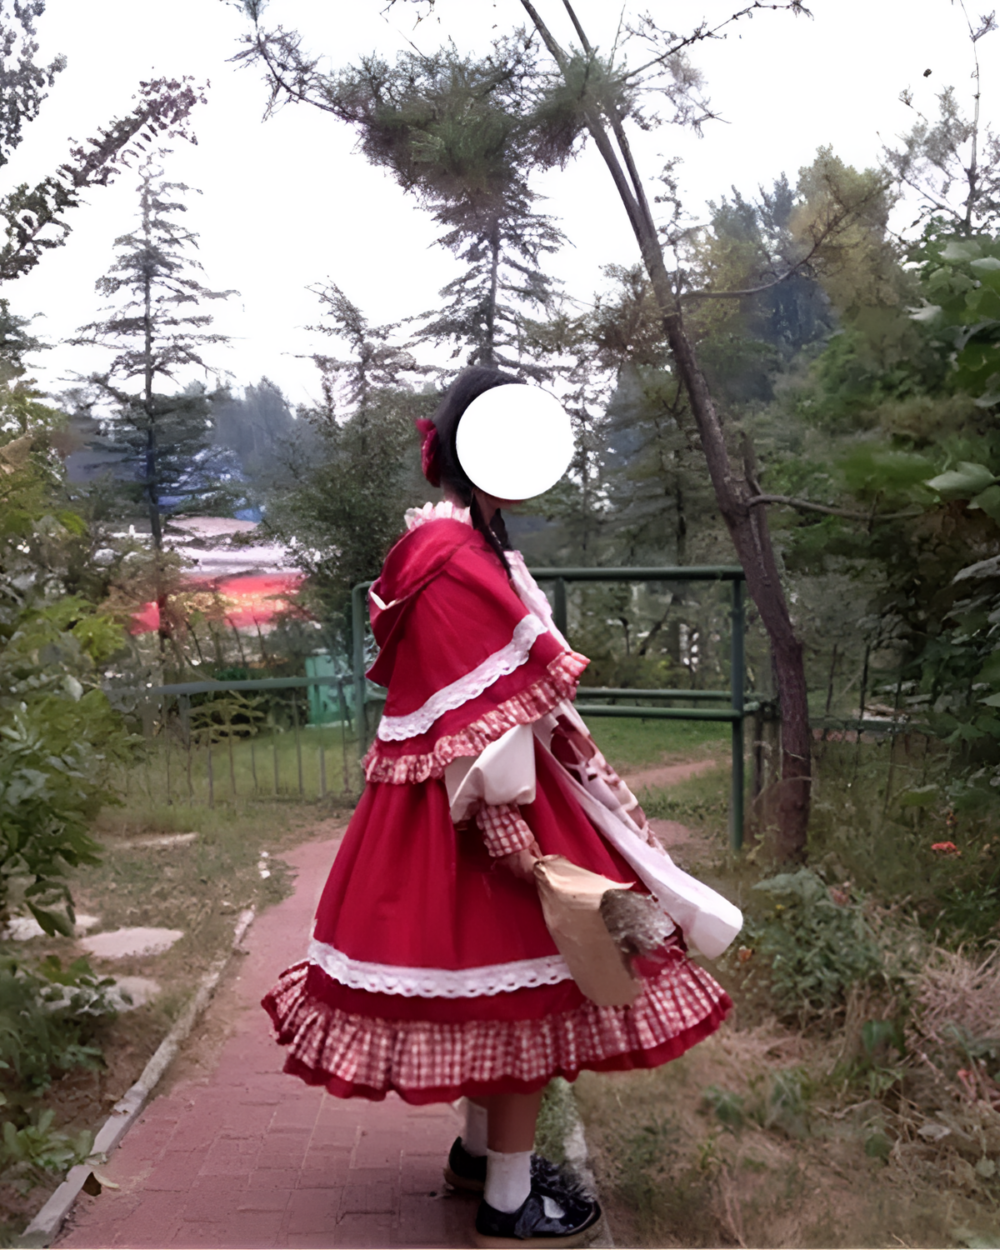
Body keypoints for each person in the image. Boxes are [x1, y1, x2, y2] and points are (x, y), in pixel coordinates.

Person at [263, 366, 735, 1248]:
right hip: (485, 805)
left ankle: (479, 1157)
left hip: (448, 804)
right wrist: (509, 824)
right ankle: (509, 1202)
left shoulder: (450, 545)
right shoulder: (455, 561)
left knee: (494, 994)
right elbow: (475, 721)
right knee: (527, 996)